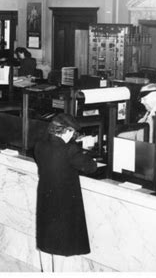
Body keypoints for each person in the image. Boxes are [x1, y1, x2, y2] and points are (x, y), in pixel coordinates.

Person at [34, 113, 97, 272]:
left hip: (45, 199)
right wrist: (88, 152)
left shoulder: (39, 146)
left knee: (46, 241)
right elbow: (90, 167)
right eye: (72, 133)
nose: (73, 136)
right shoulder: (70, 149)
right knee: (60, 245)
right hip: (64, 203)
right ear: (67, 131)